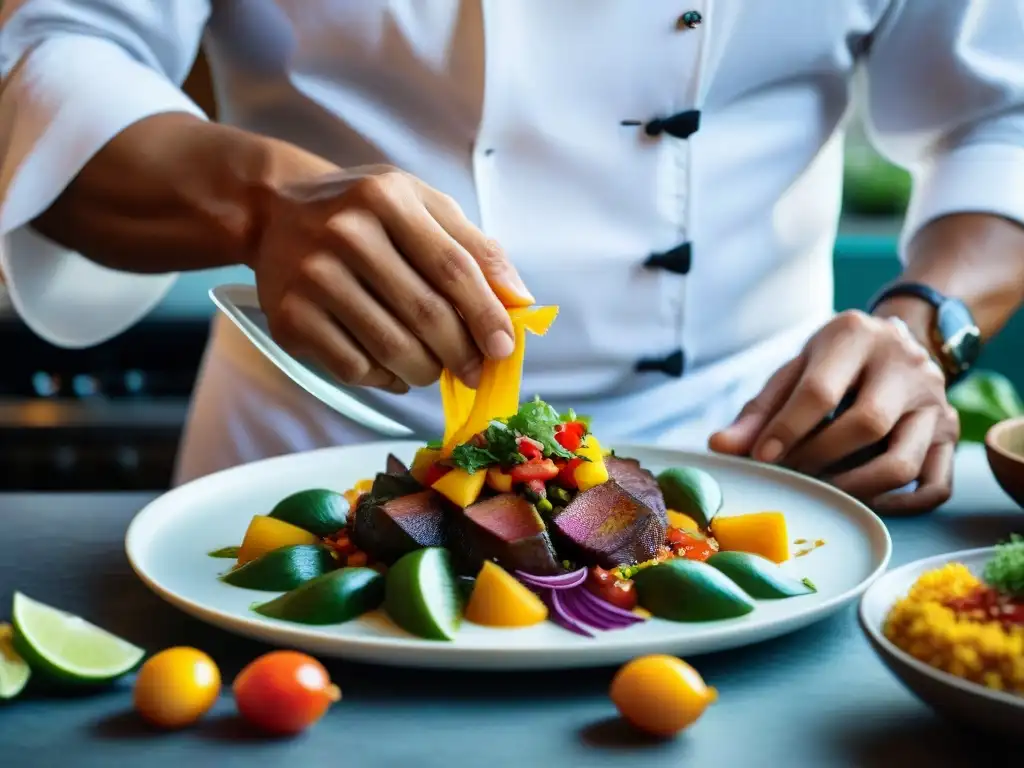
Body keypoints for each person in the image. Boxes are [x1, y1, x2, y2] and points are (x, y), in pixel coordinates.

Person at [1, 2, 1023, 515]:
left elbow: (1001, 118)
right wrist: (265, 201)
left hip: (755, 458)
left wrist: (921, 327)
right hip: (316, 453)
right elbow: (47, 54)